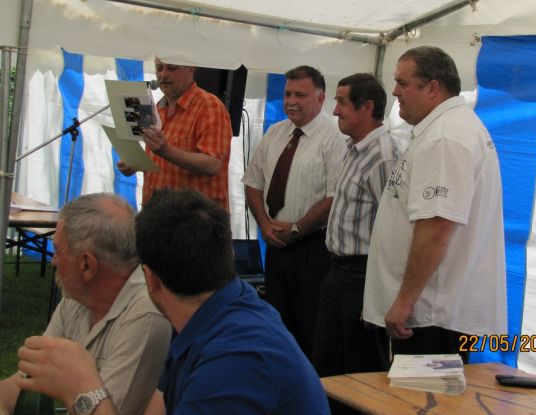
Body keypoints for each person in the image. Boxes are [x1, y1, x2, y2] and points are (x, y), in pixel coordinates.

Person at [17, 188, 330, 415]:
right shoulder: (219, 313)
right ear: (226, 255)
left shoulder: (234, 362)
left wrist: (84, 390)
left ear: (150, 279)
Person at [363, 46, 507, 360]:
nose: (394, 91)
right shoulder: (445, 129)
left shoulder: (445, 137)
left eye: (403, 83)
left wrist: (404, 302)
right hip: (429, 312)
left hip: (430, 316)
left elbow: (437, 225)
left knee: (423, 393)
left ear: (432, 88)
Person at [0, 193, 171, 415]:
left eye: (57, 251)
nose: (53, 261)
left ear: (87, 265)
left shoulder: (146, 317)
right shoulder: (77, 296)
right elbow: (27, 381)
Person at [242, 65, 346, 358]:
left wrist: (298, 228)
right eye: (288, 94)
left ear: (320, 98)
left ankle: (311, 383)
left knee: (310, 327)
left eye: (300, 95)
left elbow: (335, 197)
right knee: (278, 324)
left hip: (314, 247)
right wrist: (264, 224)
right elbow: (252, 183)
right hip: (276, 244)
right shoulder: (275, 133)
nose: (291, 101)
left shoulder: (334, 139)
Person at [313, 73, 397, 378]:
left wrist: (378, 295)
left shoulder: (383, 156)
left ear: (367, 107)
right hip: (337, 271)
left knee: (362, 371)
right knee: (327, 365)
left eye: (342, 102)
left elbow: (394, 230)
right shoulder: (353, 147)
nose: (335, 110)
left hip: (362, 277)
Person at [117, 58, 232, 210]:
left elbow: (212, 164)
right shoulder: (157, 108)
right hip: (156, 214)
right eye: (159, 68)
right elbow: (161, 160)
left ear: (190, 70)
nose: (163, 75)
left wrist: (166, 150)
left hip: (193, 218)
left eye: (172, 68)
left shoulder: (209, 106)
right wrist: (136, 163)